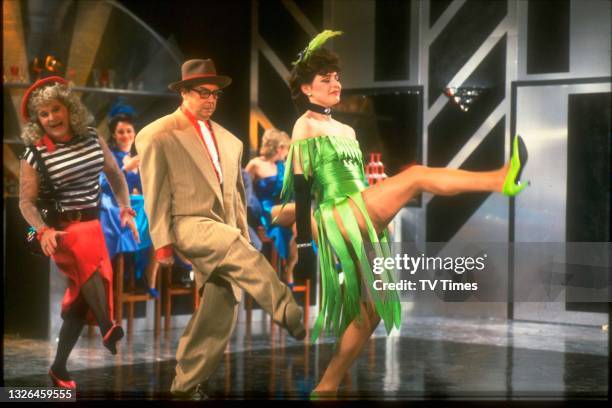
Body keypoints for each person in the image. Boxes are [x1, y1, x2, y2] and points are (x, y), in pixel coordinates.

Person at [282, 31, 529, 396]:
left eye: (336, 77)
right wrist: (303, 248)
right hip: (335, 215)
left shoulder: (347, 128)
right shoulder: (305, 125)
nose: (335, 84)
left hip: (360, 207)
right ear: (307, 89)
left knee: (374, 307)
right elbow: (303, 191)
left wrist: (378, 200)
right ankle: (498, 179)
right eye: (325, 80)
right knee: (415, 176)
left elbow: (357, 180)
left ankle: (327, 385)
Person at [135, 59, 306, 398]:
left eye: (215, 95)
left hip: (224, 227)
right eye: (203, 93)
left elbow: (237, 199)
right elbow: (154, 192)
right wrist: (162, 243)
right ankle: (288, 310)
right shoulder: (157, 134)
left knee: (222, 301)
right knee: (228, 243)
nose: (210, 100)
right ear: (184, 92)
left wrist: (246, 235)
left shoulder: (230, 141)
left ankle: (186, 382)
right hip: (186, 223)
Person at [18, 76, 139, 389]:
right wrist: (42, 230)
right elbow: (25, 203)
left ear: (69, 108)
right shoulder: (35, 153)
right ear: (37, 120)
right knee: (86, 256)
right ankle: (107, 326)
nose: (51, 118)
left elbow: (114, 174)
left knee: (80, 301)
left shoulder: (90, 136)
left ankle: (59, 368)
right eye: (43, 114)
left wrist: (125, 207)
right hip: (61, 232)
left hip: (94, 225)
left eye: (55, 109)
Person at [99, 112, 160, 298]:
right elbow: (103, 186)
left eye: (128, 131)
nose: (125, 135)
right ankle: (121, 276)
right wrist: (125, 169)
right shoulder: (109, 157)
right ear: (114, 135)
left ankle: (148, 279)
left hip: (142, 208)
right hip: (118, 209)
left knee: (160, 227)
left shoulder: (137, 157)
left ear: (134, 134)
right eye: (120, 132)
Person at [245, 129, 297, 283]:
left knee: (299, 227)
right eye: (286, 149)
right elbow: (243, 190)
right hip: (264, 211)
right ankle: (335, 259)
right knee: (305, 211)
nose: (287, 153)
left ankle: (289, 268)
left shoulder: (282, 166)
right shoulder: (255, 164)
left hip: (281, 210)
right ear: (280, 148)